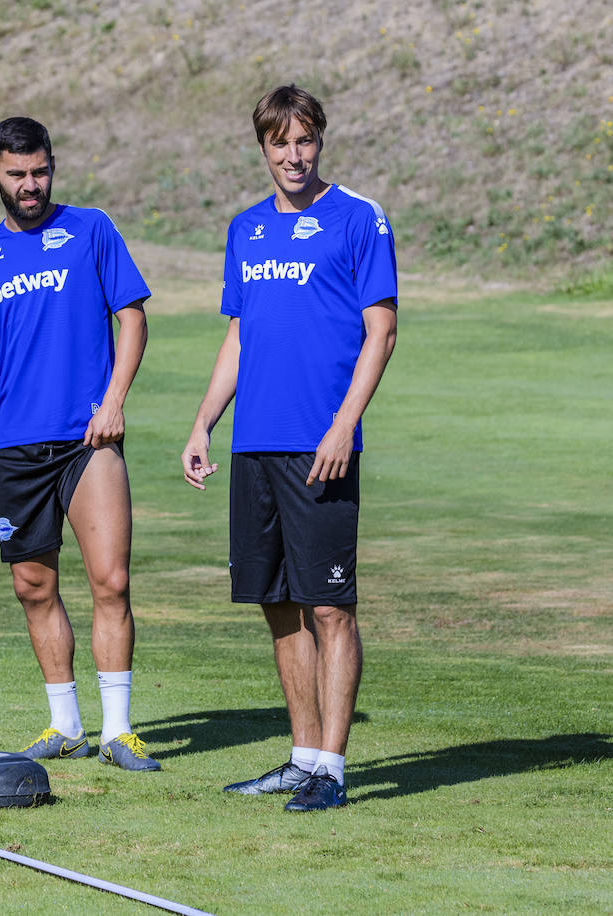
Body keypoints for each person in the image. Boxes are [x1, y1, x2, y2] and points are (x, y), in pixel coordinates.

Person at [180, 85, 398, 811]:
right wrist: (204, 421)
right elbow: (239, 337)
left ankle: (331, 772)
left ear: (321, 141)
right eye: (280, 143)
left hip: (322, 446)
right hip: (255, 447)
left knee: (330, 607)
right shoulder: (246, 230)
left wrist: (343, 424)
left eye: (305, 141)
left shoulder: (360, 218)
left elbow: (382, 330)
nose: (293, 156)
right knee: (277, 604)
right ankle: (303, 757)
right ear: (263, 147)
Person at [0, 116, 159, 772]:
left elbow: (133, 317)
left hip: (88, 441)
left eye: (40, 172)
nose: (31, 185)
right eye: (17, 175)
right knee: (34, 589)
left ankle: (118, 731)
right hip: (17, 447)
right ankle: (65, 724)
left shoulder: (92, 229)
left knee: (110, 580)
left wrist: (115, 400)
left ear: (52, 166)